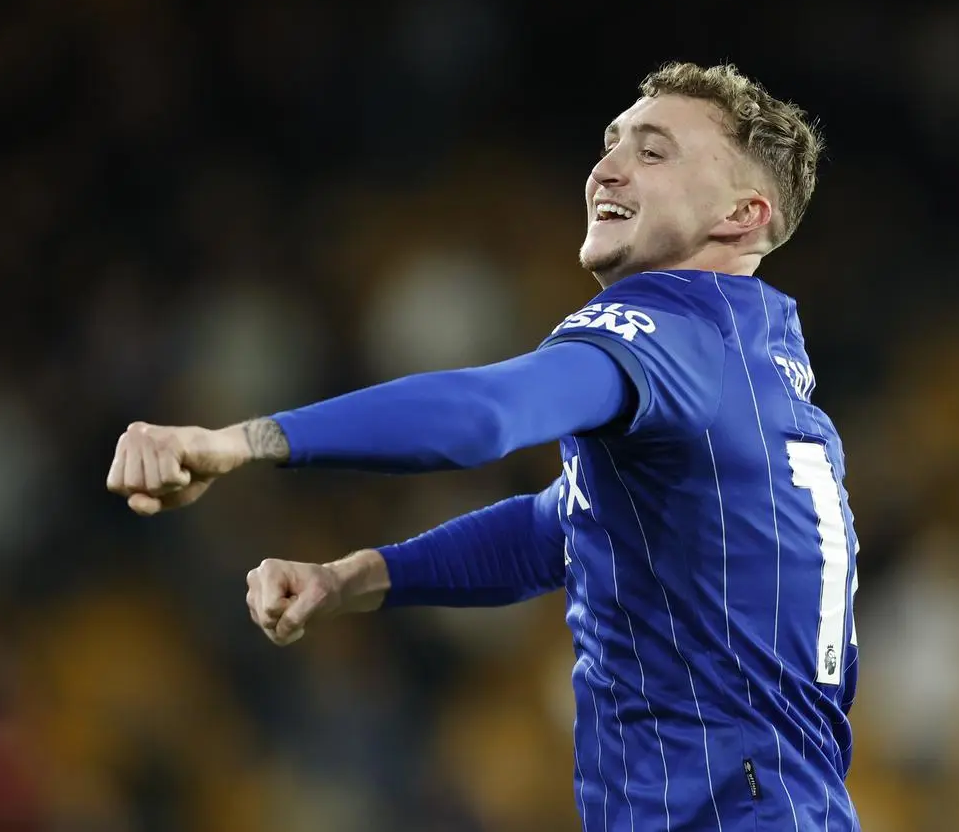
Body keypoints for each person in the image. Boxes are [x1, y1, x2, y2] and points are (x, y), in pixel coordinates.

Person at [107, 61, 860, 832]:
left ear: (742, 214)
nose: (606, 167)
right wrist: (357, 576)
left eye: (654, 151)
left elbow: (484, 414)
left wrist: (238, 441)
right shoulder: (765, 382)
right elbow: (563, 523)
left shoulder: (668, 330)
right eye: (612, 143)